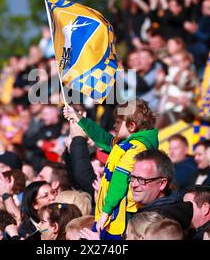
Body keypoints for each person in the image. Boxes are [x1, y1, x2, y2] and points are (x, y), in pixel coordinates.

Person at [64, 99, 159, 240]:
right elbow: (103, 138)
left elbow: (119, 182)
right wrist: (78, 118)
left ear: (132, 126)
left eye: (118, 122)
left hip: (119, 216)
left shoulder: (135, 149)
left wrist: (105, 213)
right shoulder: (126, 144)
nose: (114, 125)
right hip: (111, 212)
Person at [130, 149, 193, 229]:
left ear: (162, 184)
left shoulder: (160, 224)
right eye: (132, 177)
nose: (134, 185)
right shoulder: (169, 208)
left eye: (142, 180)